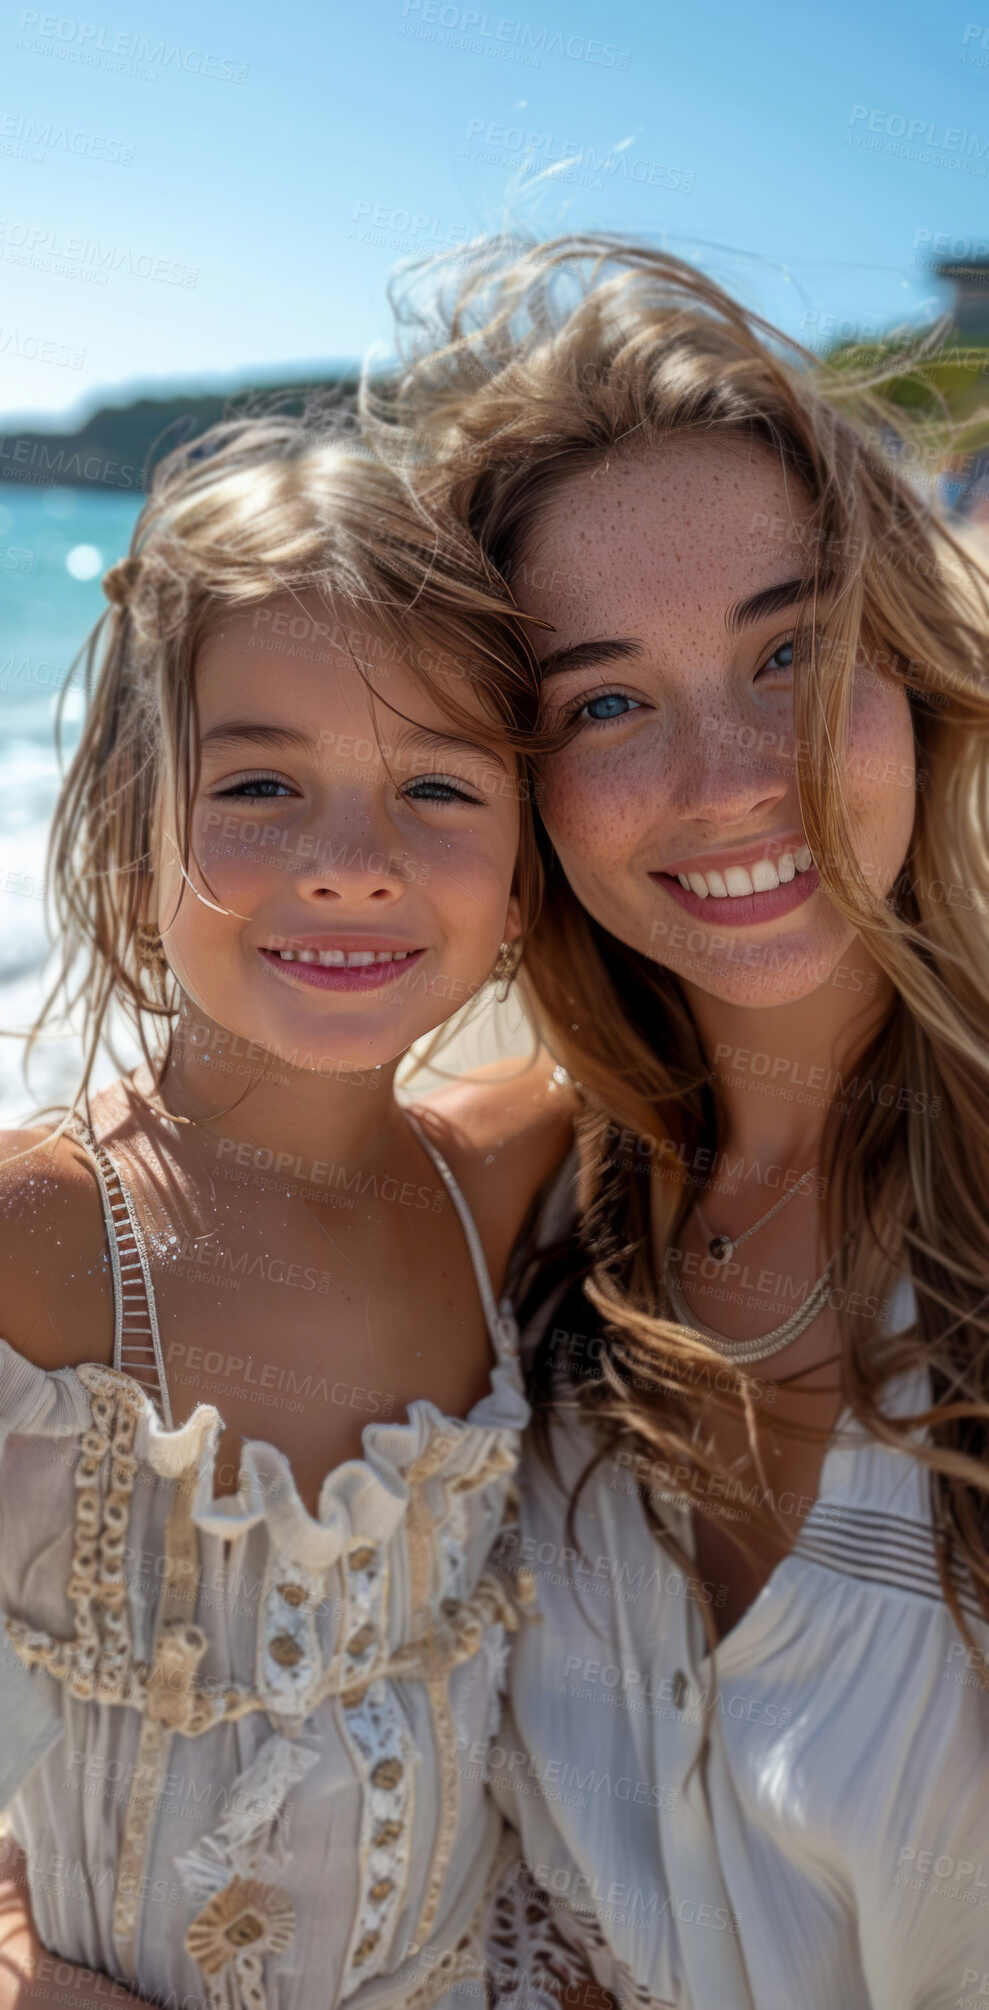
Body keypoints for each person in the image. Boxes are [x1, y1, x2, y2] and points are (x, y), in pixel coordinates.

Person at [376, 233, 989, 2008]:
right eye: (608, 702)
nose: (726, 778)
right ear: (515, 783)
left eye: (789, 653)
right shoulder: (502, 1216)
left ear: (910, 674)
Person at [0, 417, 582, 2010]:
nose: (349, 860)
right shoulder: (49, 1239)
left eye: (439, 787)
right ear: (132, 839)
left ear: (528, 872)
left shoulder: (505, 1179)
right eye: (258, 781)